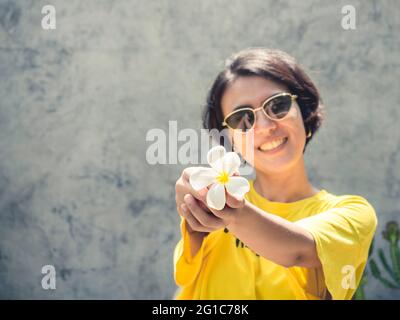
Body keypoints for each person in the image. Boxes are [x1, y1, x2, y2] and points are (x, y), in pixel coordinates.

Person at [173, 48, 377, 300]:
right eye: (242, 118)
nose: (266, 126)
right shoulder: (210, 202)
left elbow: (298, 250)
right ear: (230, 140)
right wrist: (195, 211)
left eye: (277, 105)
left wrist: (228, 210)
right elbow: (184, 280)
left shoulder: (354, 214)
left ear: (304, 112)